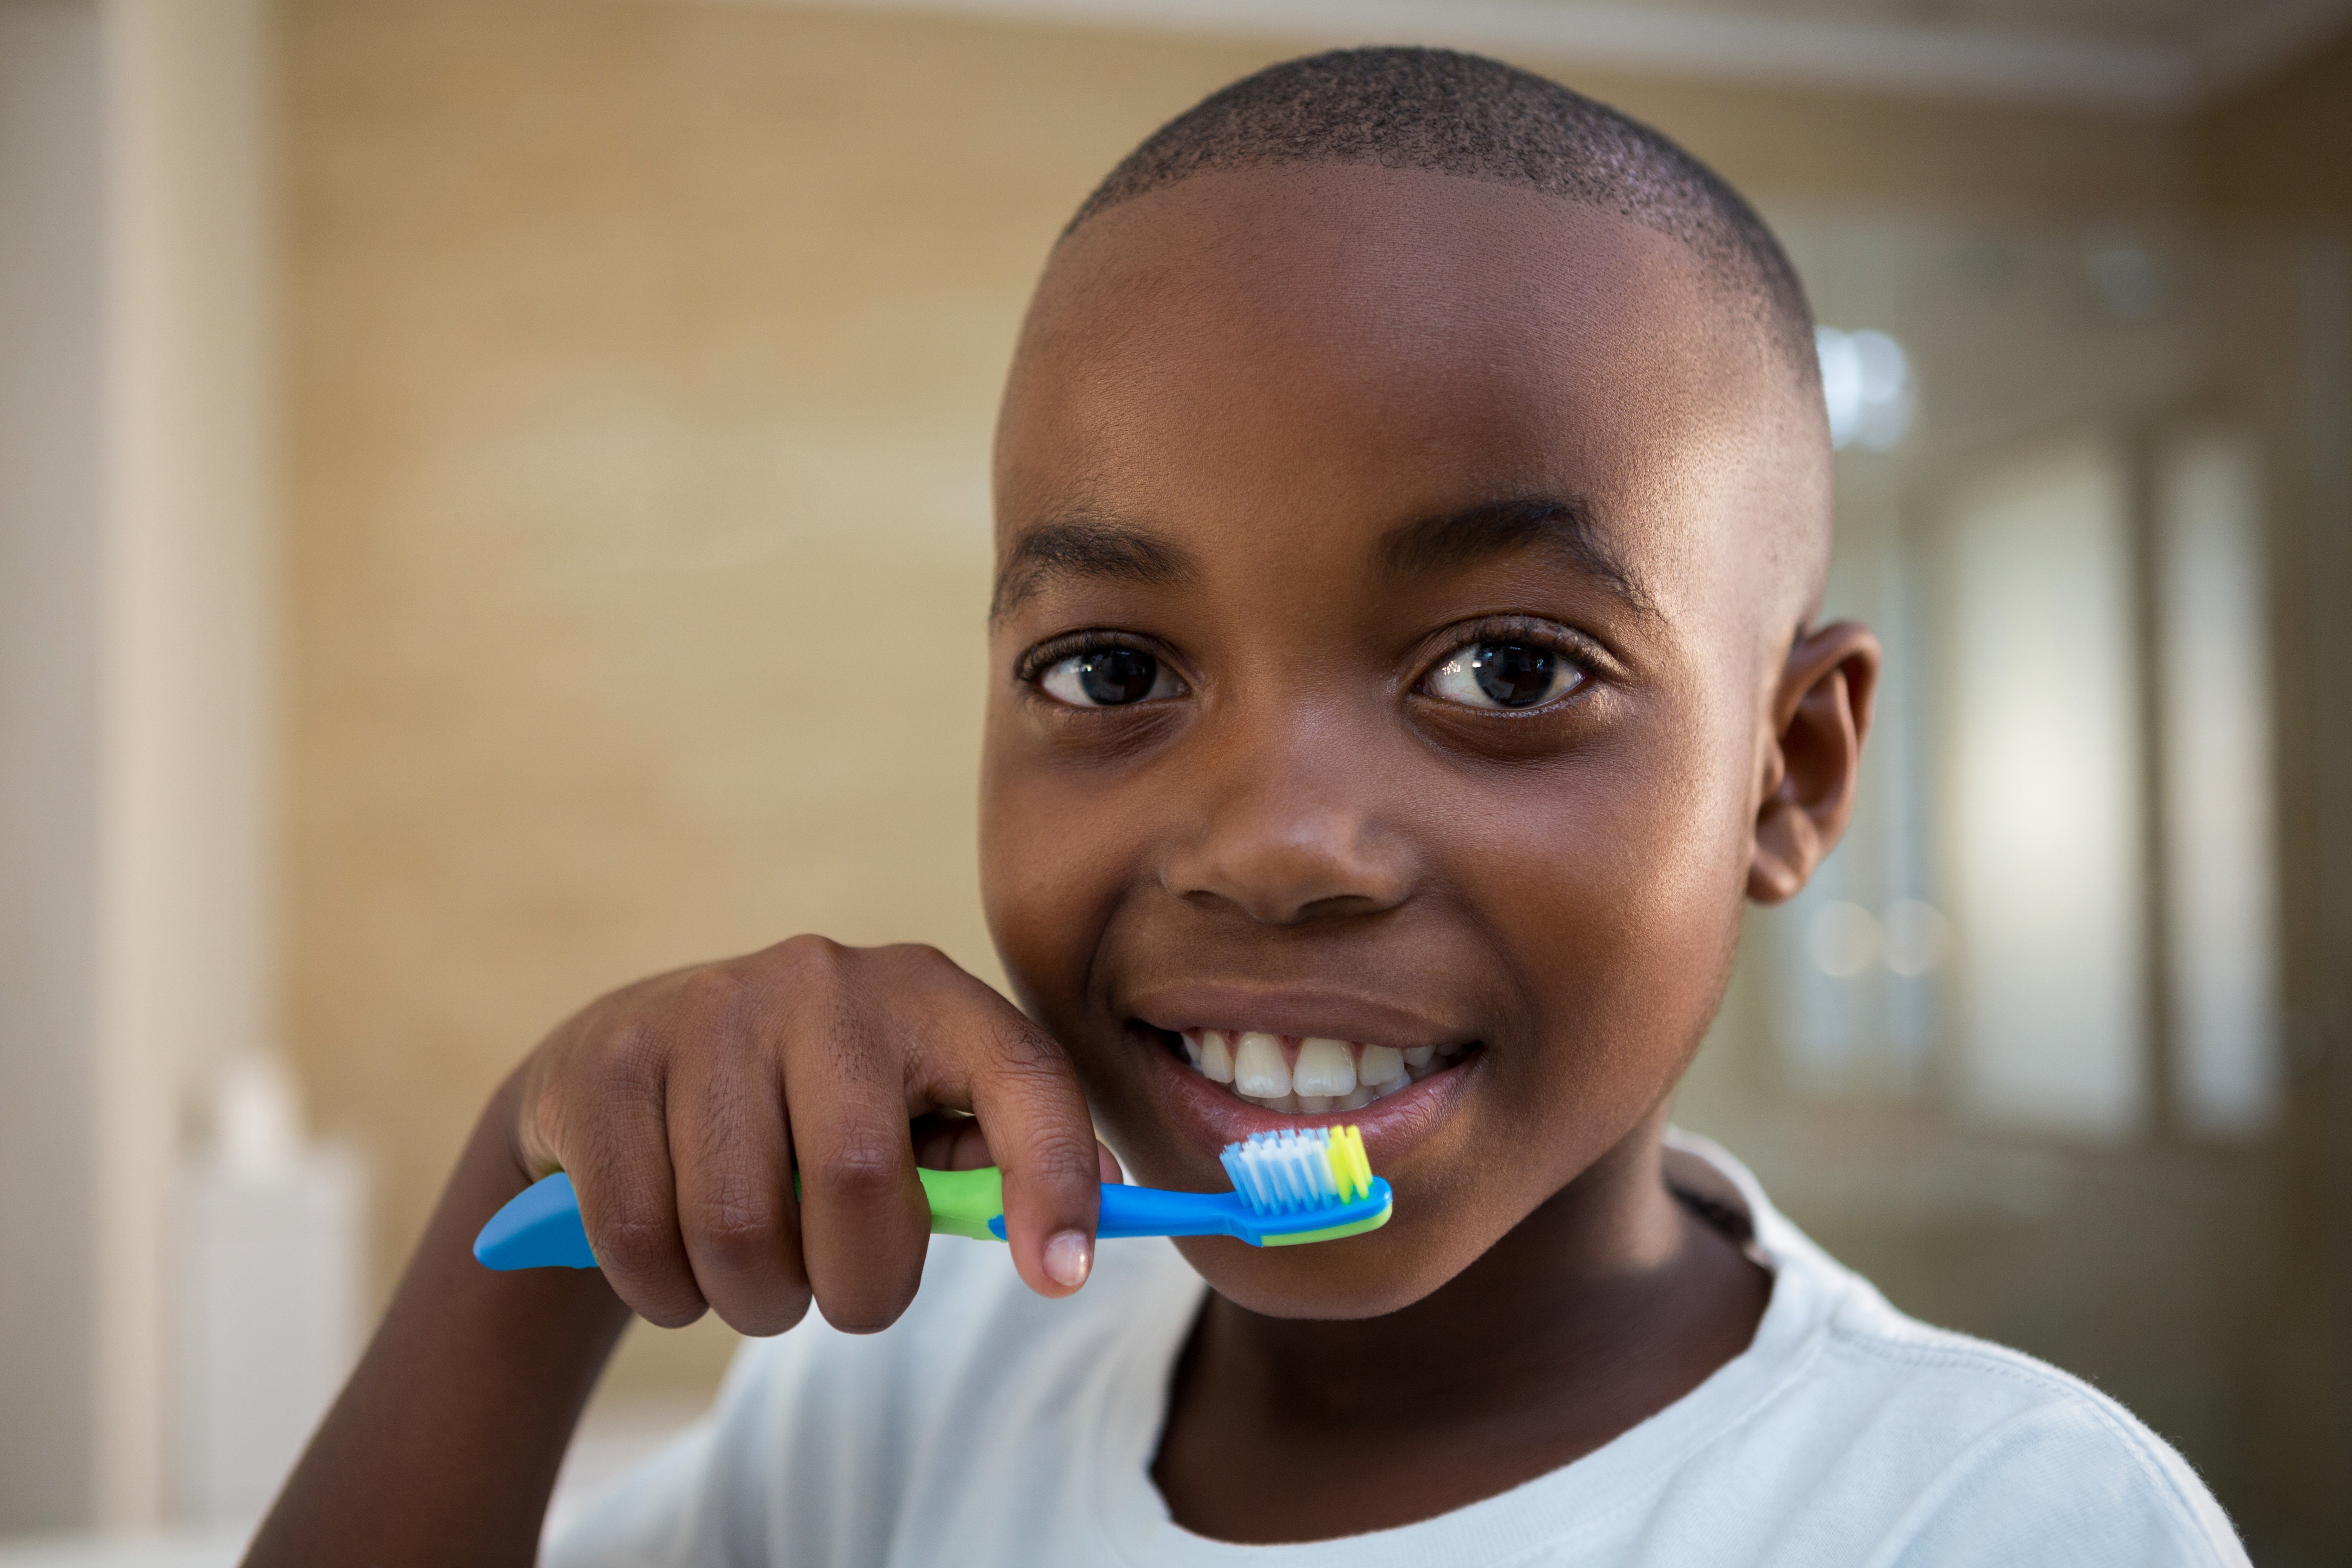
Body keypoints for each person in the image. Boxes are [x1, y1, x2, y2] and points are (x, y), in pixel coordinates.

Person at [246, 48, 2248, 1567]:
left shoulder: (1994, 1517)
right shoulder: (927, 1369)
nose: (1280, 843)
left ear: (1789, 774)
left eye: (1513, 671)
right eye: (1110, 673)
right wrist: (534, 1228)